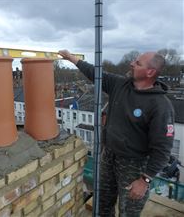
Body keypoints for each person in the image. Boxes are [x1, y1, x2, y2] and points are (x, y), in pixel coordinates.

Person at [58, 50, 175, 217]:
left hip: (134, 166)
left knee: (128, 210)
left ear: (150, 72)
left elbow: (163, 149)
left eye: (138, 63)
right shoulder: (121, 85)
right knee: (102, 203)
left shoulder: (161, 106)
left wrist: (145, 180)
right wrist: (71, 58)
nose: (132, 63)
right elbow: (96, 74)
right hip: (110, 156)